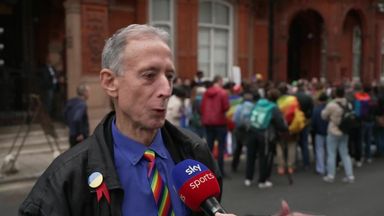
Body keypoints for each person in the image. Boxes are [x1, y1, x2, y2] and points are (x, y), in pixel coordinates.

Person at [19, 24, 235, 216]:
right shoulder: (67, 178)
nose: (166, 89)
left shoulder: (195, 152)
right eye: (149, 75)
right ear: (110, 82)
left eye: (169, 77)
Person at [321, 86, 355, 183]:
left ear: (335, 94)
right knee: (345, 153)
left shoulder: (331, 105)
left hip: (333, 130)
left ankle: (331, 175)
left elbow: (323, 116)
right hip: (344, 130)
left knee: (331, 153)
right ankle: (350, 175)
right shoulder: (348, 104)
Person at [201, 75, 230, 177]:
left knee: (209, 147)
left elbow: (202, 107)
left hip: (208, 122)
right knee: (221, 147)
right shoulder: (223, 93)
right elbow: (226, 107)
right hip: (220, 122)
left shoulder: (206, 93)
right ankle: (220, 170)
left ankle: (208, 170)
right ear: (220, 81)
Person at [63, 83, 90, 147]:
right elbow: (77, 118)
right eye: (88, 91)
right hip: (80, 137)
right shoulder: (82, 105)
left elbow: (64, 114)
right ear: (84, 92)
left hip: (72, 134)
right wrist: (80, 133)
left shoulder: (71, 102)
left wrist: (70, 126)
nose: (89, 94)